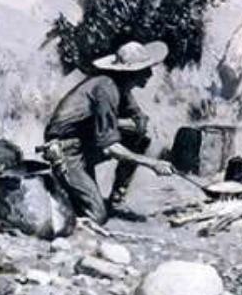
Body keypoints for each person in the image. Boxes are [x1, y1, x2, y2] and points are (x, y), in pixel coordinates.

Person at [42, 40, 174, 225]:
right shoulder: (105, 88)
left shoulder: (122, 87)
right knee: (96, 216)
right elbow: (111, 147)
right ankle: (57, 192)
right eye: (144, 69)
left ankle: (115, 199)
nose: (150, 74)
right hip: (66, 149)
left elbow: (140, 121)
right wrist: (153, 163)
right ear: (130, 72)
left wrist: (129, 123)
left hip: (85, 141)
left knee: (139, 139)